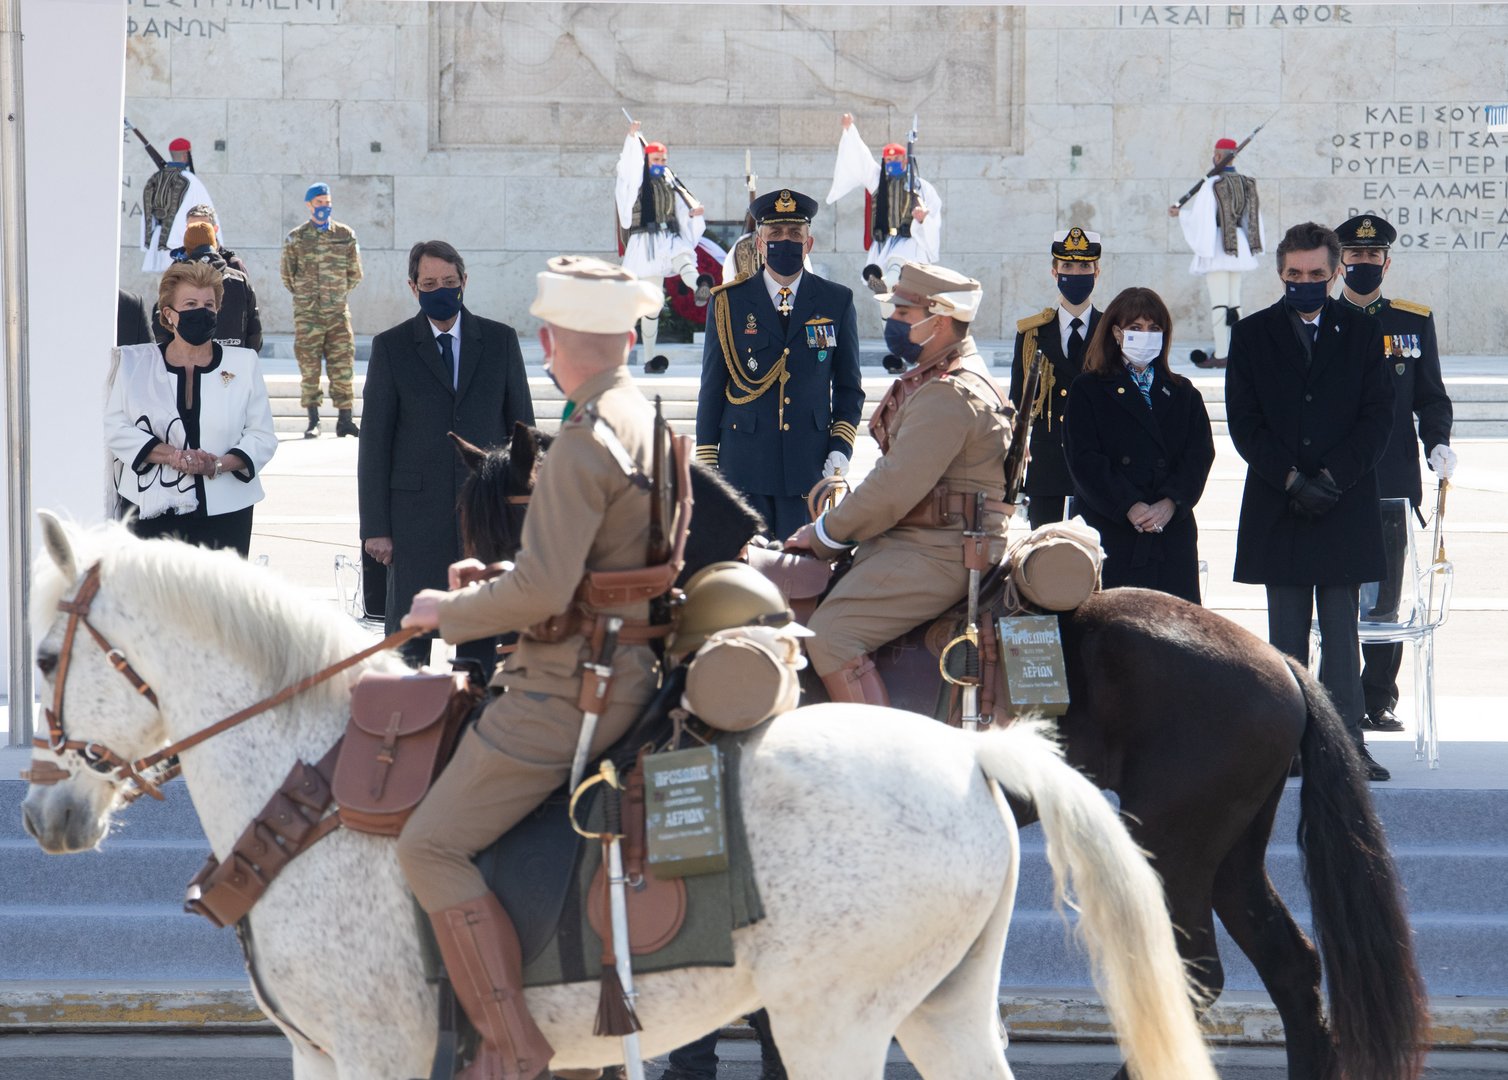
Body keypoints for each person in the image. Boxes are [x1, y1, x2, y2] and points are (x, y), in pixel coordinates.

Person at [395, 256, 669, 1080]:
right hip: (627, 664)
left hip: (568, 689)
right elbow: (589, 571)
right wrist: (500, 586)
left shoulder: (584, 443)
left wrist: (448, 614)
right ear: (624, 337)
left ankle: (512, 1046)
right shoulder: (639, 413)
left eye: (544, 336)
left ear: (553, 341)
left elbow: (547, 586)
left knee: (428, 848)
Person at [784, 262, 1012, 705]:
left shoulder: (949, 394)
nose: (891, 322)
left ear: (939, 320)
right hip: (925, 538)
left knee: (831, 634)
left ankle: (882, 759)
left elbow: (894, 485)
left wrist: (824, 534)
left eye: (904, 314)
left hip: (940, 549)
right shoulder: (944, 379)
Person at [1225, 221, 1395, 782]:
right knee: (1286, 632)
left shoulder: (1366, 334)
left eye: (1316, 274)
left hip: (1342, 502)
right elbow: (1245, 423)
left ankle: (1347, 745)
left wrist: (1331, 478)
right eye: (1294, 274)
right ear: (1280, 273)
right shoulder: (1251, 335)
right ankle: (1288, 746)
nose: (1305, 283)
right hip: (1281, 502)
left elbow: (1377, 420)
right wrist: (1292, 479)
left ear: (1335, 272)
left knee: (1343, 632)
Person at [359, 240, 536, 673]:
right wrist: (376, 529)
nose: (441, 290)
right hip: (415, 520)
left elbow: (523, 435)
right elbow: (374, 445)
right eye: (430, 283)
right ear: (413, 287)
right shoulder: (392, 347)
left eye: (450, 282)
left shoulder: (499, 341)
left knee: (482, 634)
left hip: (487, 519)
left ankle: (476, 721)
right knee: (409, 644)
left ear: (464, 283)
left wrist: (528, 516)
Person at [1334, 213, 1457, 733]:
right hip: (1335, 481)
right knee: (1335, 594)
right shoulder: (1321, 318)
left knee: (1385, 600)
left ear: (1387, 261)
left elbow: (1430, 396)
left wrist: (1438, 443)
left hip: (1392, 479)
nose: (1364, 263)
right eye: (1355, 256)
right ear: (1341, 262)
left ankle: (1378, 697)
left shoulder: (1411, 321)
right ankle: (1333, 694)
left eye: (1373, 256)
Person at [696, 188, 863, 541]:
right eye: (774, 234)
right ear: (759, 243)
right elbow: (712, 387)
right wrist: (707, 458)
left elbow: (849, 387)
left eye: (794, 234)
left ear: (809, 243)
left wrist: (840, 447)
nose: (784, 242)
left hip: (808, 462)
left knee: (801, 570)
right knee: (745, 568)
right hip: (744, 463)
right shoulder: (729, 303)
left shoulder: (836, 300)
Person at [105, 260, 277, 557]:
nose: (202, 311)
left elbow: (262, 437)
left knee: (217, 601)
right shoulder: (136, 364)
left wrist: (216, 465)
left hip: (225, 511)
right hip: (150, 510)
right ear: (169, 315)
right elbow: (116, 427)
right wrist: (172, 456)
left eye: (209, 304)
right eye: (191, 303)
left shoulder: (243, 364)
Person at [1064, 287, 1215, 603]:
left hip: (1169, 534)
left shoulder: (1184, 393)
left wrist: (1170, 503)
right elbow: (1084, 459)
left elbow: (1198, 457)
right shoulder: (1088, 389)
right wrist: (1129, 505)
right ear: (1117, 332)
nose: (1145, 335)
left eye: (1154, 328)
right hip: (1110, 530)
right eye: (1135, 328)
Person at [1010, 227, 1103, 528]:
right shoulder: (1031, 334)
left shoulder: (1111, 332)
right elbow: (1017, 404)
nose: (1075, 274)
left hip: (1098, 463)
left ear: (1096, 272)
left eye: (1084, 266)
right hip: (1045, 464)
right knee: (1043, 558)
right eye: (1067, 266)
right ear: (1054, 271)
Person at [615, 120, 714, 373]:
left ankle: (700, 286)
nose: (659, 164)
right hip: (645, 243)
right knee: (653, 303)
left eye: (662, 160)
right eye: (655, 160)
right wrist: (632, 138)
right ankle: (650, 358)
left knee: (684, 257)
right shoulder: (636, 182)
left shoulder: (671, 183)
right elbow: (627, 168)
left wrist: (694, 212)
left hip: (669, 237)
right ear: (646, 160)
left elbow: (682, 207)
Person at [1170, 137, 1265, 370]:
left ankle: (1223, 354)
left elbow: (1201, 219)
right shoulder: (1246, 182)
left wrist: (1180, 214)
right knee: (1235, 304)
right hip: (1240, 247)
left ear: (1219, 157)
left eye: (1215, 154)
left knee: (1220, 305)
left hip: (1218, 248)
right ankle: (1237, 351)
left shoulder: (1213, 184)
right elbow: (1252, 219)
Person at [824, 113, 941, 296]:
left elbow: (932, 211)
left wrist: (923, 218)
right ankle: (882, 286)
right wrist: (850, 129)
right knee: (881, 280)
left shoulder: (919, 186)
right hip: (885, 241)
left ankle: (890, 285)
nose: (892, 163)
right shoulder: (878, 181)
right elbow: (861, 159)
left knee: (899, 268)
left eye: (896, 160)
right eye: (888, 160)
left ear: (905, 161)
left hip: (909, 241)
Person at [280, 181, 363, 438]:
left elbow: (355, 274)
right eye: (319, 204)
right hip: (308, 315)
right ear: (309, 205)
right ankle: (313, 420)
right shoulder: (296, 238)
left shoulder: (345, 235)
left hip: (337, 313)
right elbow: (287, 275)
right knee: (309, 367)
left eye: (327, 204)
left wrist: (335, 294)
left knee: (342, 366)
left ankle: (345, 420)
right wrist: (308, 297)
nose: (324, 208)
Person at [153, 221, 263, 353]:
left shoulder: (177, 280)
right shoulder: (239, 279)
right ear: (214, 245)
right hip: (234, 362)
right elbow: (255, 331)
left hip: (188, 362)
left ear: (187, 248)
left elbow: (161, 327)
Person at [140, 136, 214, 273]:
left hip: (158, 244)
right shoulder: (190, 180)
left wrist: (149, 242)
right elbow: (205, 214)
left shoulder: (155, 178)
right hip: (182, 245)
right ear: (186, 155)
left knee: (163, 289)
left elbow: (147, 215)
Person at [178, 202, 251, 278]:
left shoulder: (233, 264)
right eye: (192, 228)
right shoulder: (179, 263)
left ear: (215, 229)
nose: (198, 231)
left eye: (203, 228)